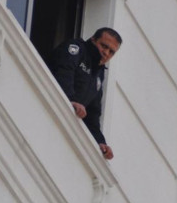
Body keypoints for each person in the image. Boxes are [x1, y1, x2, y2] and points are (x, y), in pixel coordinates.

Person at [48, 27, 122, 160]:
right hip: (48, 109)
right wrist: (71, 100)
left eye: (111, 52)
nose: (106, 53)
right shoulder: (76, 48)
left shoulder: (99, 74)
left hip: (63, 126)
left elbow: (93, 113)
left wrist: (100, 142)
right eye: (104, 46)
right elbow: (64, 72)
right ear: (93, 40)